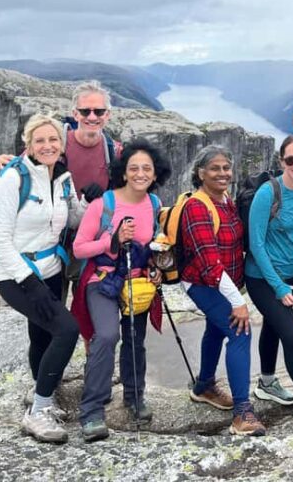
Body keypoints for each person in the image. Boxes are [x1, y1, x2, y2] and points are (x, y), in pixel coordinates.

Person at [0, 114, 84, 443]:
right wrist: (28, 282)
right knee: (67, 329)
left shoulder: (61, 178)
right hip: (15, 273)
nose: (47, 145)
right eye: (39, 140)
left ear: (61, 143)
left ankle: (43, 393)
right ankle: (38, 411)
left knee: (42, 335)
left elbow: (70, 219)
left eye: (53, 140)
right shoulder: (10, 180)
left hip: (52, 268)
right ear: (28, 144)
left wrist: (97, 204)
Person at [72, 139, 171, 441]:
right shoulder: (105, 204)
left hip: (137, 282)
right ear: (124, 173)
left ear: (155, 175)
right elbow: (79, 249)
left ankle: (134, 396)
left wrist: (156, 266)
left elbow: (153, 243)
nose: (140, 174)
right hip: (102, 280)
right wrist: (111, 239)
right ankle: (91, 410)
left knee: (134, 338)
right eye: (134, 168)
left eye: (147, 169)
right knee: (106, 335)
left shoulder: (154, 204)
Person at [0, 81, 121, 298]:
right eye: (85, 111)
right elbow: (24, 165)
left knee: (85, 303)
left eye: (98, 111)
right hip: (52, 238)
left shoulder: (114, 152)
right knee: (53, 301)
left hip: (90, 238)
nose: (91, 117)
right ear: (74, 113)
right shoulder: (56, 143)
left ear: (107, 115)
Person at [179, 145, 266, 436]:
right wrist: (236, 301)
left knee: (217, 329)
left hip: (221, 283)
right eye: (215, 168)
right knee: (239, 331)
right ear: (200, 173)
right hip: (202, 282)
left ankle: (203, 386)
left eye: (226, 168)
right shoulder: (197, 206)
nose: (223, 173)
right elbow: (209, 262)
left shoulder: (226, 200)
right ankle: (242, 413)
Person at [245, 135, 293, 435]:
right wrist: (278, 286)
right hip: (262, 278)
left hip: (291, 277)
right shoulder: (268, 192)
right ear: (281, 161)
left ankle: (266, 383)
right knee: (291, 335)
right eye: (290, 160)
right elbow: (256, 243)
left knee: (273, 326)